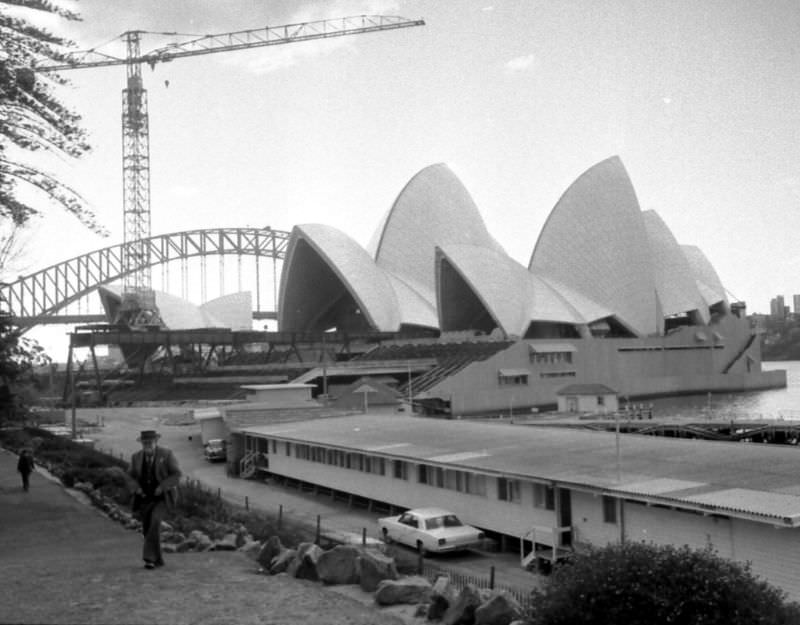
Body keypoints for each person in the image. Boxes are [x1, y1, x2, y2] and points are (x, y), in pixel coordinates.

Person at [127, 430, 181, 570]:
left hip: (162, 498)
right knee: (147, 528)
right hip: (144, 498)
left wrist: (162, 487)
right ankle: (158, 559)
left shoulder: (167, 454)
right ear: (141, 443)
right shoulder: (136, 457)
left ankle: (149, 559)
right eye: (145, 443)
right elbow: (129, 477)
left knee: (155, 522)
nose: (147, 445)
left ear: (156, 442)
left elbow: (176, 475)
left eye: (150, 442)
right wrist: (137, 488)